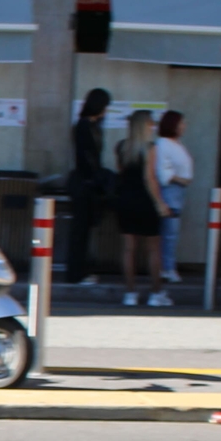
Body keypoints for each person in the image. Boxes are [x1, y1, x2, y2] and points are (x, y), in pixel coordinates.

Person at [112, 109, 167, 306]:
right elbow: (149, 178)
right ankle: (156, 292)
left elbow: (121, 172)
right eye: (151, 123)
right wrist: (160, 203)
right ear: (145, 126)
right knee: (153, 249)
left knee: (129, 249)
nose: (153, 127)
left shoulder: (121, 147)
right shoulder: (151, 148)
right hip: (144, 200)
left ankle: (130, 293)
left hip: (125, 199)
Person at [64, 87, 111, 283]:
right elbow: (88, 157)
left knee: (82, 229)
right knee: (80, 229)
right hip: (85, 184)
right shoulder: (85, 127)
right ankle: (76, 272)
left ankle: (78, 270)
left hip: (86, 182)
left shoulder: (88, 126)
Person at [152, 109, 194, 287]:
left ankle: (167, 266)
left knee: (171, 233)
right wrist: (180, 179)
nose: (184, 126)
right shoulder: (163, 144)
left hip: (178, 191)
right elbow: (163, 172)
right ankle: (166, 268)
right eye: (181, 123)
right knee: (169, 233)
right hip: (170, 190)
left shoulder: (176, 144)